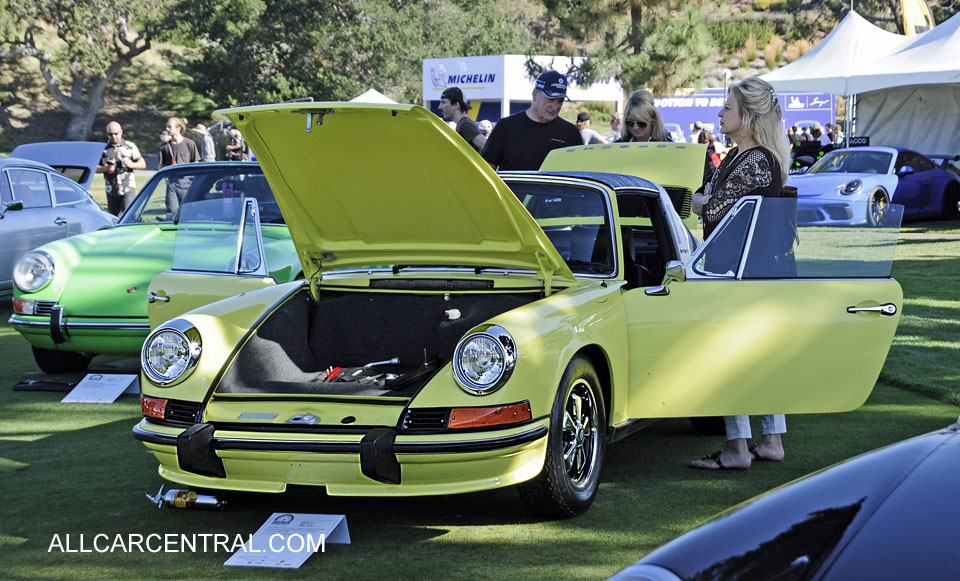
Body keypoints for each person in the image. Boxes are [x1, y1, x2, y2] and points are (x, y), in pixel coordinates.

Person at [689, 77, 794, 471]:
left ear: (747, 118)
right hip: (754, 274)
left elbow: (716, 213)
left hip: (745, 277)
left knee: (731, 356)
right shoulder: (748, 157)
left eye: (727, 108)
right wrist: (708, 201)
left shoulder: (753, 160)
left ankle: (737, 448)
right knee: (760, 357)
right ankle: (770, 441)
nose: (719, 113)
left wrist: (703, 204)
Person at [481, 70, 582, 170]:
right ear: (535, 94)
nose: (555, 107)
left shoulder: (571, 133)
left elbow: (580, 173)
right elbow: (486, 170)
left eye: (560, 102)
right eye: (550, 100)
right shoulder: (505, 127)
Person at [97, 121, 146, 216]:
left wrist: (132, 165)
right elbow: (94, 168)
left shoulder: (130, 146)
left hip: (128, 188)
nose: (113, 136)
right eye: (110, 134)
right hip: (111, 189)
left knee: (130, 216)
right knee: (113, 218)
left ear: (121, 132)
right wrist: (105, 168)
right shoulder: (103, 149)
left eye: (116, 133)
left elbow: (143, 164)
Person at [162, 117, 200, 217]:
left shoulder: (190, 144)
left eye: (169, 126)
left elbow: (196, 165)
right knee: (173, 213)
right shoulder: (165, 147)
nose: (167, 129)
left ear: (178, 128)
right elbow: (162, 167)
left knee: (189, 213)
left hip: (187, 186)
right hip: (172, 187)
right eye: (166, 126)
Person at [439, 86, 486, 153]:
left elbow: (486, 146)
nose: (439, 107)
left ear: (456, 105)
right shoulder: (462, 124)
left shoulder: (465, 125)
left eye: (443, 102)